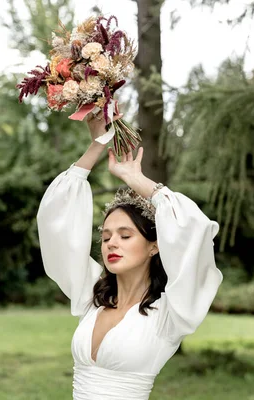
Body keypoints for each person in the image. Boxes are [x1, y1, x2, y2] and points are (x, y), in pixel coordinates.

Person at [36, 111, 223, 400]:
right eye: (106, 236)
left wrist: (137, 180)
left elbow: (193, 232)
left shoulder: (170, 314)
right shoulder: (91, 299)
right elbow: (55, 225)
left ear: (154, 245)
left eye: (125, 236)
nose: (112, 243)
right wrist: (97, 145)